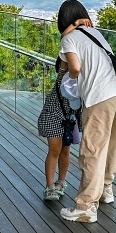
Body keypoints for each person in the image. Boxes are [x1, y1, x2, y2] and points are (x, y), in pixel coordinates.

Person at [57, 0, 116, 224]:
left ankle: (86, 206)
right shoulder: (94, 32)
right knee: (111, 146)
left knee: (92, 151)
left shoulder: (69, 39)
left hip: (99, 98)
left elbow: (73, 68)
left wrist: (74, 74)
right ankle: (106, 189)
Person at [38, 50, 81, 201]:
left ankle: (61, 182)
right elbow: (65, 50)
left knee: (65, 150)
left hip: (69, 118)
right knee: (55, 149)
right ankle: (50, 186)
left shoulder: (82, 80)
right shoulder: (64, 77)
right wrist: (78, 25)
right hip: (53, 114)